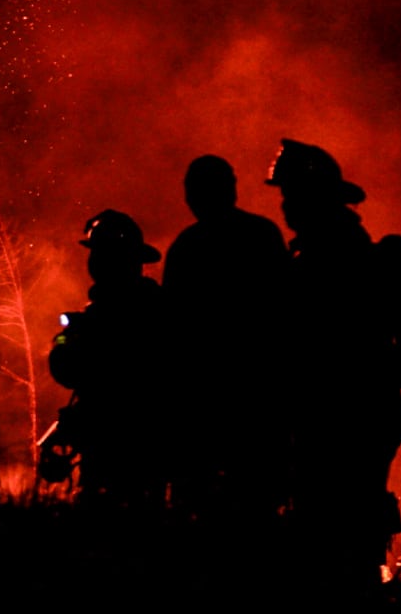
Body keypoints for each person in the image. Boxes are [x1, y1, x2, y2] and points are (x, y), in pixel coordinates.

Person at [264, 139, 401, 600]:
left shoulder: (351, 259)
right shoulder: (300, 262)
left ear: (318, 197)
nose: (286, 205)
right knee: (321, 530)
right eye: (284, 195)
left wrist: (374, 369)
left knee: (341, 532)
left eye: (293, 194)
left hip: (352, 414)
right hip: (324, 414)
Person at [160, 155, 290, 526]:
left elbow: (172, 331)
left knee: (200, 509)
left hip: (206, 400)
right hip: (255, 397)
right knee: (254, 506)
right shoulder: (262, 235)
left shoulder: (187, 247)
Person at [46, 209, 169, 505]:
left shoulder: (125, 312)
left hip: (127, 444)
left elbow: (72, 370)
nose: (96, 263)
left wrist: (66, 341)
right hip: (129, 443)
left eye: (101, 255)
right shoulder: (153, 306)